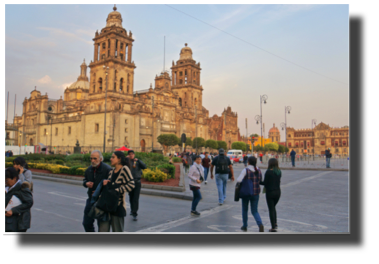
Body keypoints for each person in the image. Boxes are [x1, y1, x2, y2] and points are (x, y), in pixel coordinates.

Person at [98, 151, 135, 232]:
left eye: (113, 157)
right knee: (102, 230)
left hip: (118, 206)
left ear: (119, 159)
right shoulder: (111, 171)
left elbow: (131, 184)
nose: (110, 159)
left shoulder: (124, 169)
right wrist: (104, 184)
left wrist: (118, 190)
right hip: (107, 206)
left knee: (117, 230)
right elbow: (109, 187)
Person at [82, 150, 112, 232]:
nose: (92, 161)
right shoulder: (89, 169)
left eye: (95, 158)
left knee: (101, 225)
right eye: (91, 158)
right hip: (91, 200)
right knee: (86, 223)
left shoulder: (108, 169)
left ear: (101, 159)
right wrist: (86, 183)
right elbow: (85, 180)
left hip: (102, 202)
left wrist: (100, 192)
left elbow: (111, 186)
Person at [236, 156, 264, 232]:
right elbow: (260, 180)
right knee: (254, 210)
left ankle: (245, 225)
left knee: (245, 210)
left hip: (246, 193)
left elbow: (239, 180)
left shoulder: (246, 170)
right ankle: (260, 224)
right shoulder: (258, 170)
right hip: (256, 193)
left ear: (248, 162)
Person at [5, 167, 33, 232]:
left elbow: (29, 203)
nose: (5, 182)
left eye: (6, 180)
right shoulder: (7, 188)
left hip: (16, 223)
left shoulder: (22, 189)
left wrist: (13, 210)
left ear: (14, 178)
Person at [260, 158, 281, 232]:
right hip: (278, 192)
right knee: (273, 208)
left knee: (271, 209)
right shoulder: (279, 172)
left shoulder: (268, 172)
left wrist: (258, 181)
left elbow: (265, 183)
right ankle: (275, 223)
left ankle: (273, 227)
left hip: (270, 193)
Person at [128, 149, 147, 221]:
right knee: (131, 197)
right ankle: (132, 209)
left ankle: (134, 213)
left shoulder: (137, 162)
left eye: (132, 154)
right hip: (130, 182)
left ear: (134, 155)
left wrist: (138, 160)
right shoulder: (127, 162)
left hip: (137, 182)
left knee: (135, 198)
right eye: (130, 154)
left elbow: (144, 166)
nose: (131, 155)